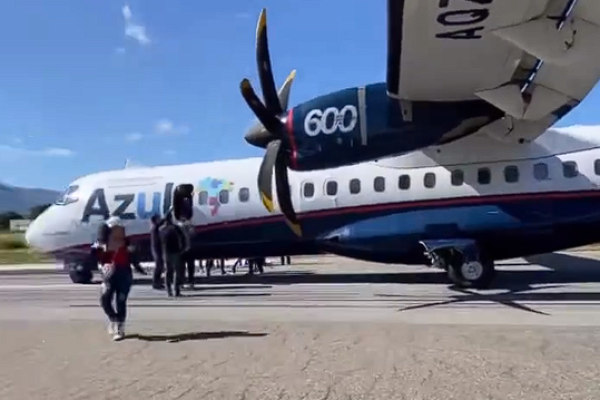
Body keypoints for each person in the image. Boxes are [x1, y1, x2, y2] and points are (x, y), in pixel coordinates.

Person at [98, 222, 133, 341]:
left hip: (124, 274)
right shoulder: (103, 246)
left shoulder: (126, 244)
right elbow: (98, 258)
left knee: (120, 301)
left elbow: (133, 254)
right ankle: (114, 319)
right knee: (105, 299)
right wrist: (103, 267)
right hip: (110, 275)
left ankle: (120, 326)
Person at [159, 214, 186, 297]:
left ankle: (169, 291)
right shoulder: (175, 228)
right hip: (175, 251)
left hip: (166, 252)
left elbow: (159, 241)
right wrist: (183, 248)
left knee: (168, 271)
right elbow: (182, 238)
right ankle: (176, 290)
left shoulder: (161, 229)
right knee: (176, 271)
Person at [150, 215, 165, 289]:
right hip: (156, 249)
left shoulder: (154, 227)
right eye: (158, 218)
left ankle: (157, 282)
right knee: (159, 266)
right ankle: (155, 283)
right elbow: (162, 222)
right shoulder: (155, 227)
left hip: (157, 249)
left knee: (160, 266)